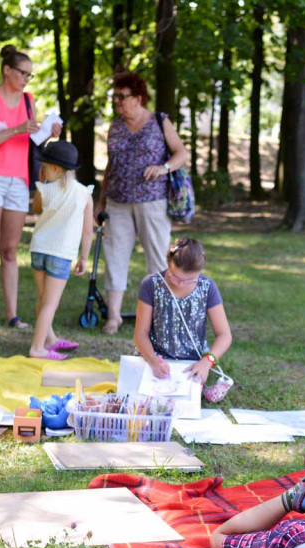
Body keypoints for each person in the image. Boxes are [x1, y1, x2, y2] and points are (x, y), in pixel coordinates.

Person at [0, 45, 61, 328]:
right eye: (23, 73)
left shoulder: (29, 100)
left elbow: (32, 142)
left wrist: (48, 134)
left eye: (30, 75)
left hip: (18, 180)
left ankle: (13, 315)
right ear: (7, 70)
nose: (26, 79)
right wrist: (17, 129)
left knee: (10, 250)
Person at [97, 72, 189, 335]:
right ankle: (113, 317)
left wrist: (163, 168)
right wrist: (101, 201)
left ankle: (159, 319)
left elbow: (181, 152)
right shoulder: (115, 125)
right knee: (114, 257)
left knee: (158, 259)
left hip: (152, 202)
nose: (117, 101)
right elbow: (110, 165)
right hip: (117, 202)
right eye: (115, 96)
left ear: (138, 98)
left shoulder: (159, 121)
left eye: (122, 96)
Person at [27, 141, 94, 360]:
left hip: (39, 249)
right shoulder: (84, 193)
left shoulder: (45, 189)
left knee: (42, 299)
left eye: (45, 166)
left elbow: (37, 209)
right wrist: (84, 257)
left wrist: (43, 185)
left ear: (55, 168)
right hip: (61, 253)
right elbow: (87, 231)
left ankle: (50, 340)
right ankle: (37, 348)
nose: (42, 170)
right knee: (50, 303)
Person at [132, 238, 231, 386]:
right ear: (168, 264)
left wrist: (207, 361)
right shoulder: (151, 284)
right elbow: (140, 334)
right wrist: (153, 361)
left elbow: (224, 335)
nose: (180, 284)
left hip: (193, 363)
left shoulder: (207, 287)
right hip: (154, 357)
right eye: (174, 276)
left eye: (189, 280)